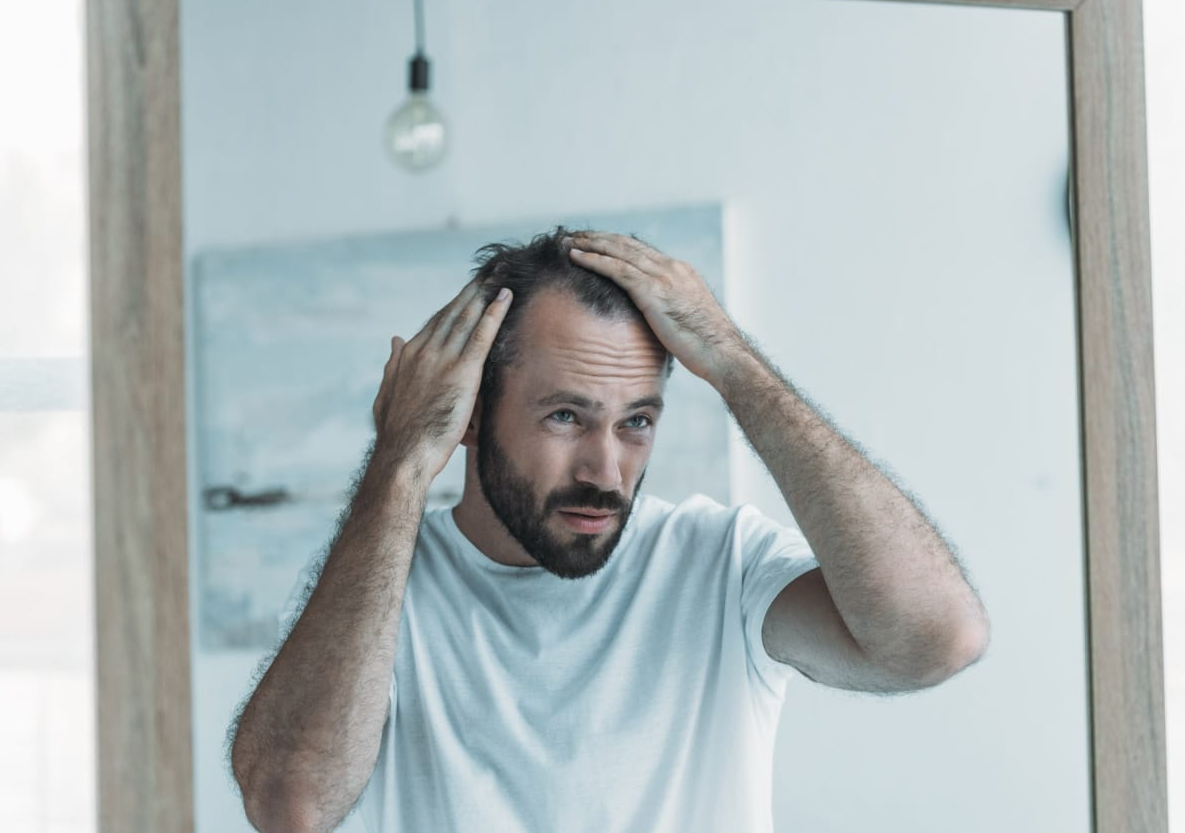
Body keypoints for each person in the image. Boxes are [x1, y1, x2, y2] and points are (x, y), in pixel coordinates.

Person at [227, 227, 991, 832]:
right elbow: (290, 806)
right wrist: (397, 462)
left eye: (637, 422)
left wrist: (731, 361)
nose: (606, 468)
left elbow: (935, 640)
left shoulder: (717, 563)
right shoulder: (383, 582)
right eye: (566, 416)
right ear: (468, 417)